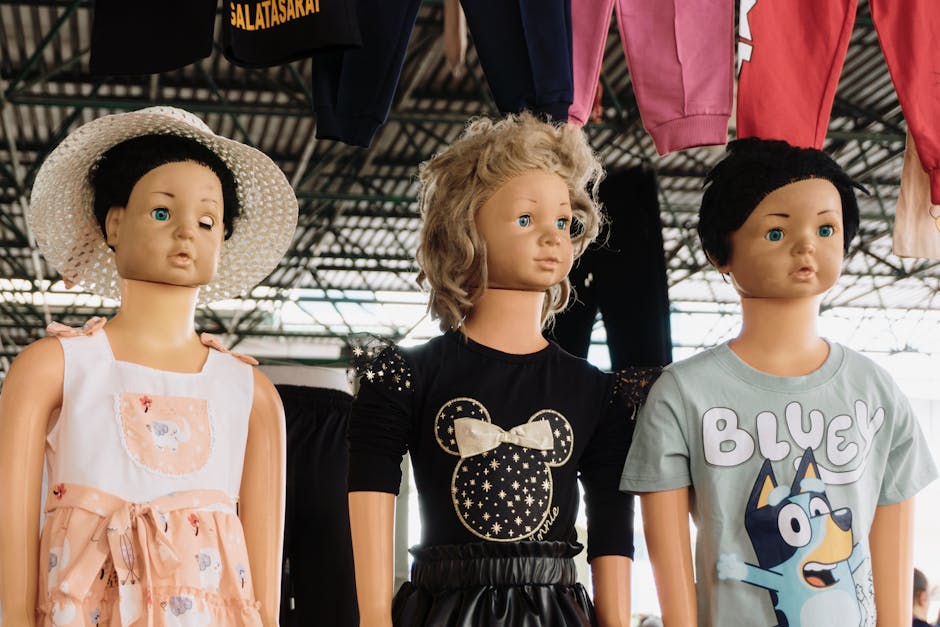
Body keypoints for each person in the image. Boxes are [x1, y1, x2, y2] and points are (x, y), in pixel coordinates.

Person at [347, 112, 659, 627]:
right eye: (526, 219)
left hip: (556, 612)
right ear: (466, 226)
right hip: (442, 611)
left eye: (562, 221)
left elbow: (611, 522)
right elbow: (370, 493)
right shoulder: (407, 374)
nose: (553, 237)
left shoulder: (596, 391)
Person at [620, 138, 938, 627]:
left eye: (826, 228)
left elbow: (892, 550)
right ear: (717, 252)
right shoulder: (682, 393)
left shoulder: (876, 392)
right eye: (775, 232)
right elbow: (668, 555)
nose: (807, 243)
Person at [0, 107, 298, 626]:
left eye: (206, 221)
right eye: (162, 212)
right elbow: (12, 527)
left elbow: (263, 588)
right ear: (114, 223)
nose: (187, 232)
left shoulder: (251, 393)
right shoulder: (56, 367)